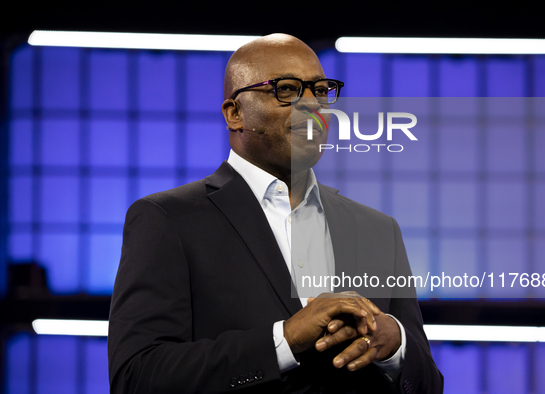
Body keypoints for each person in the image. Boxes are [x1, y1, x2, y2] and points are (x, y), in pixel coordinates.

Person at [108, 33, 443, 393]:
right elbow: (136, 377)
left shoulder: (379, 230)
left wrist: (396, 346)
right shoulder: (167, 219)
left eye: (321, 89)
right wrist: (284, 339)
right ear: (235, 114)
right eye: (287, 89)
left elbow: (428, 385)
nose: (313, 103)